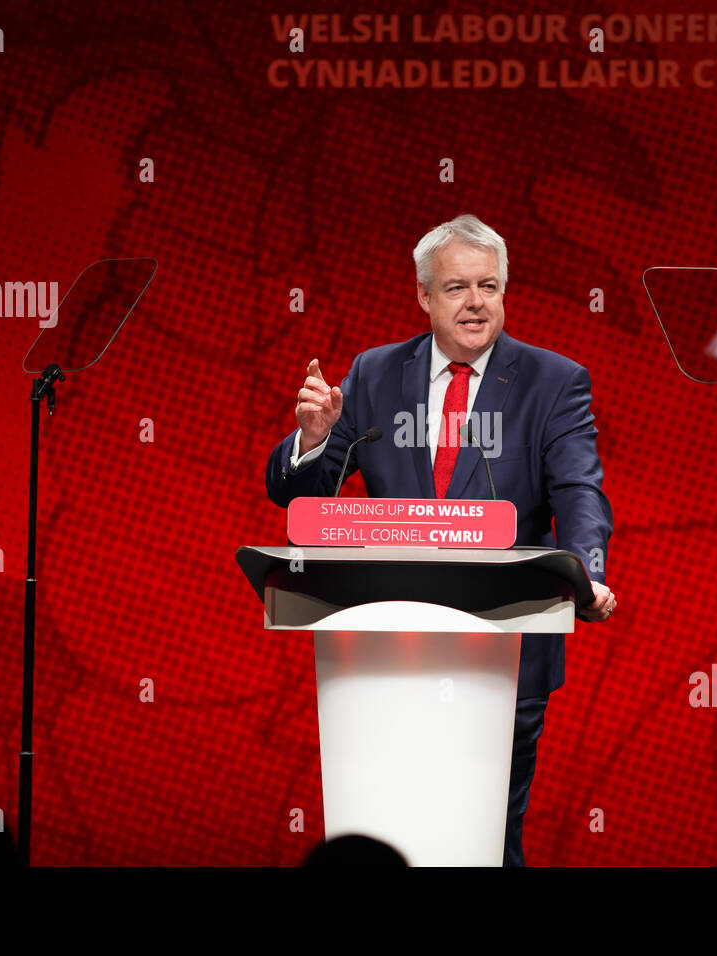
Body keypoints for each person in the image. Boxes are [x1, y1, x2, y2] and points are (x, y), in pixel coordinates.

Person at [265, 213, 615, 865]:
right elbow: (298, 495)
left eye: (490, 285)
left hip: (506, 639)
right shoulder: (373, 374)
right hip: (385, 648)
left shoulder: (553, 381)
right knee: (389, 823)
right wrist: (313, 439)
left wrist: (587, 572)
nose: (477, 302)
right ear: (424, 296)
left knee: (486, 828)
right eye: (457, 288)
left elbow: (579, 490)